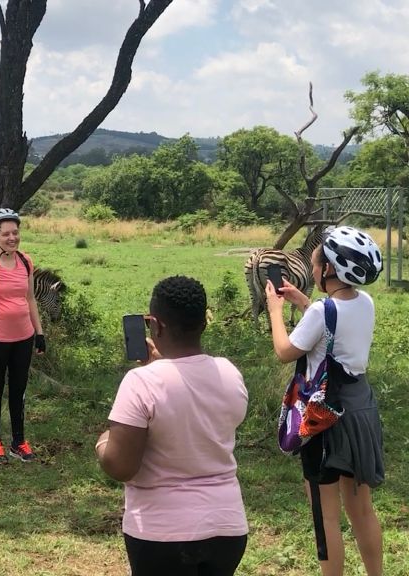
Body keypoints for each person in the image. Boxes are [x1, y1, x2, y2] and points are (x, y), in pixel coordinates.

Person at [96, 276, 249, 576]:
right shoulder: (229, 373)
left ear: (156, 325)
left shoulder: (141, 382)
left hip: (160, 535)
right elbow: (194, 413)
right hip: (227, 529)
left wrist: (104, 441)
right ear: (204, 323)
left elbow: (120, 466)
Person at [265, 226, 384, 576]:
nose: (313, 270)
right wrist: (305, 303)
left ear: (329, 269)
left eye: (316, 265)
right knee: (361, 510)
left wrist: (275, 310)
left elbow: (285, 352)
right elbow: (334, 331)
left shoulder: (322, 312)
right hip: (360, 411)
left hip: (324, 418)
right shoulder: (365, 302)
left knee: (325, 514)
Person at [0, 208, 46, 465]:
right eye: (6, 234)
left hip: (23, 338)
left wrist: (40, 333)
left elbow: (31, 299)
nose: (12, 238)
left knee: (19, 390)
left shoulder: (26, 262)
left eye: (15, 232)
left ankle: (18, 442)